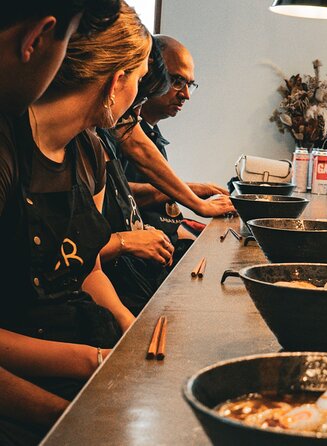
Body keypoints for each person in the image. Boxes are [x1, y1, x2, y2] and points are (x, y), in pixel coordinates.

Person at [0, 3, 148, 443]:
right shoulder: (9, 148)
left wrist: (127, 323)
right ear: (116, 79)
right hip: (26, 384)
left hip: (81, 351)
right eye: (137, 78)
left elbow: (86, 268)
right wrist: (91, 363)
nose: (138, 95)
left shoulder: (91, 152)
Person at [122, 35, 232, 259]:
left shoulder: (145, 131)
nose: (186, 95)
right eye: (177, 81)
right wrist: (194, 196)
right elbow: (116, 195)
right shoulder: (111, 128)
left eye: (190, 84)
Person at [96, 36, 175, 315]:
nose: (136, 111)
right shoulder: (93, 141)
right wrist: (126, 241)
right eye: (140, 82)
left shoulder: (95, 143)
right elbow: (81, 259)